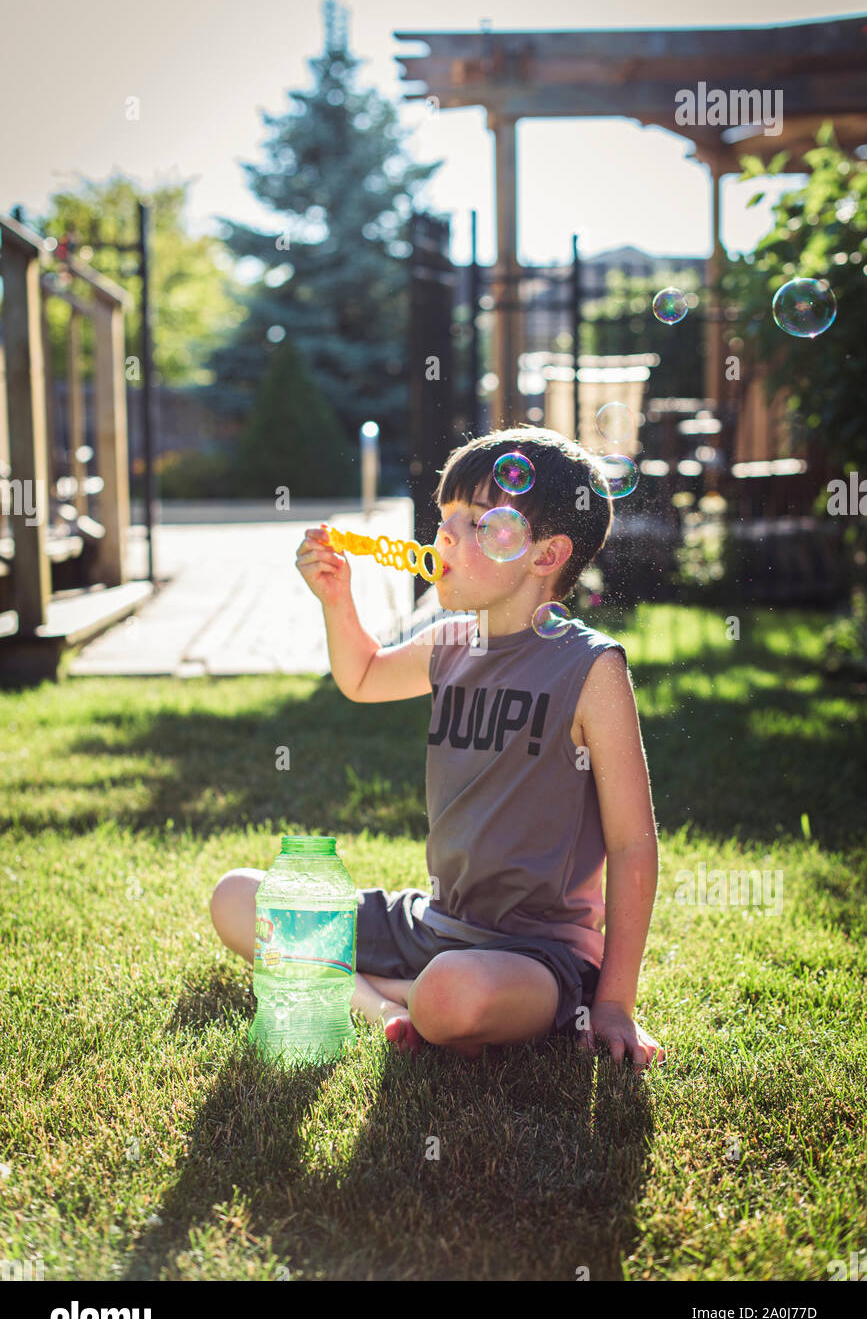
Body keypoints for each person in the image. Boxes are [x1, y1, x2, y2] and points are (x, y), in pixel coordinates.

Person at [210, 426, 664, 1072]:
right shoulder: (452, 639)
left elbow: (630, 843)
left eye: (478, 523)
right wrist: (336, 600)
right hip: (431, 921)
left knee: (455, 994)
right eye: (443, 519)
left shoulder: (589, 669)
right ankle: (390, 1007)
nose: (444, 537)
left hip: (531, 955)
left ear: (545, 555)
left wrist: (615, 1002)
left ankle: (389, 995)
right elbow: (363, 677)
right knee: (237, 895)